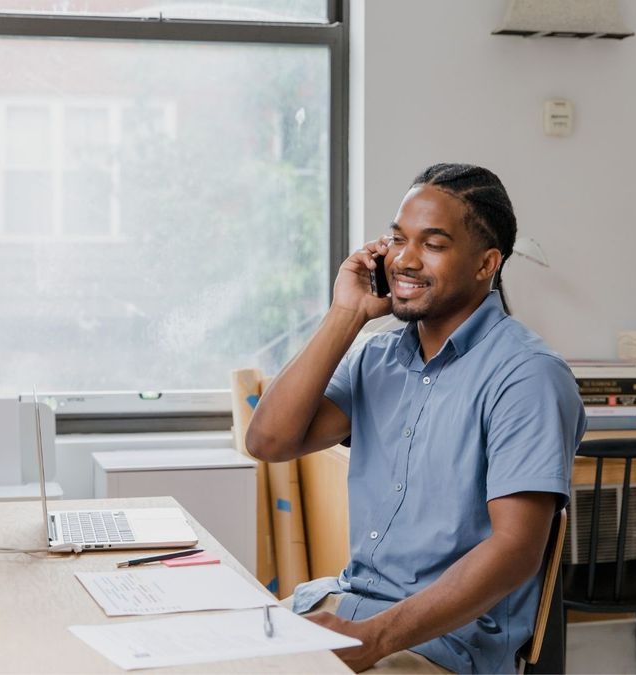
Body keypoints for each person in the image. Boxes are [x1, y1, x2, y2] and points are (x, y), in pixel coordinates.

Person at [246, 163, 586, 674]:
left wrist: (372, 639)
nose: (405, 259)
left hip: (442, 645)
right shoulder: (376, 358)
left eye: (433, 244)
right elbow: (269, 440)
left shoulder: (527, 376)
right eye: (397, 238)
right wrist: (347, 313)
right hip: (345, 608)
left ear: (485, 264)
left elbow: (515, 549)